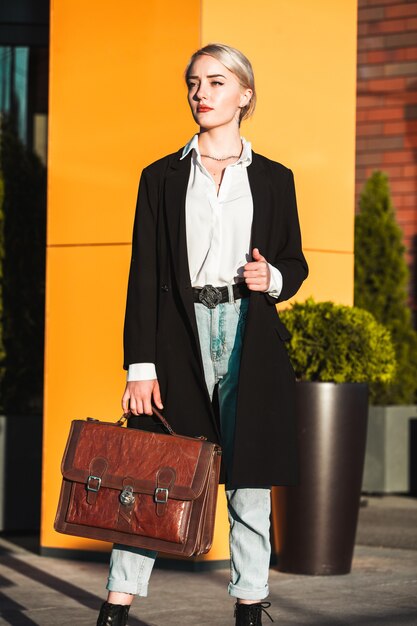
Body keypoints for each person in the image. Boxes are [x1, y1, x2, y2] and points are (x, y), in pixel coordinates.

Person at [97, 43, 308, 626]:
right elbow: (144, 274)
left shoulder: (274, 179)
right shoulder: (161, 177)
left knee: (249, 476)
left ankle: (249, 604)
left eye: (216, 82)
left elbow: (295, 263)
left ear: (244, 95)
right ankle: (116, 608)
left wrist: (275, 278)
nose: (200, 93)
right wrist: (139, 364)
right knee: (154, 469)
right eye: (194, 83)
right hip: (178, 335)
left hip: (248, 332)